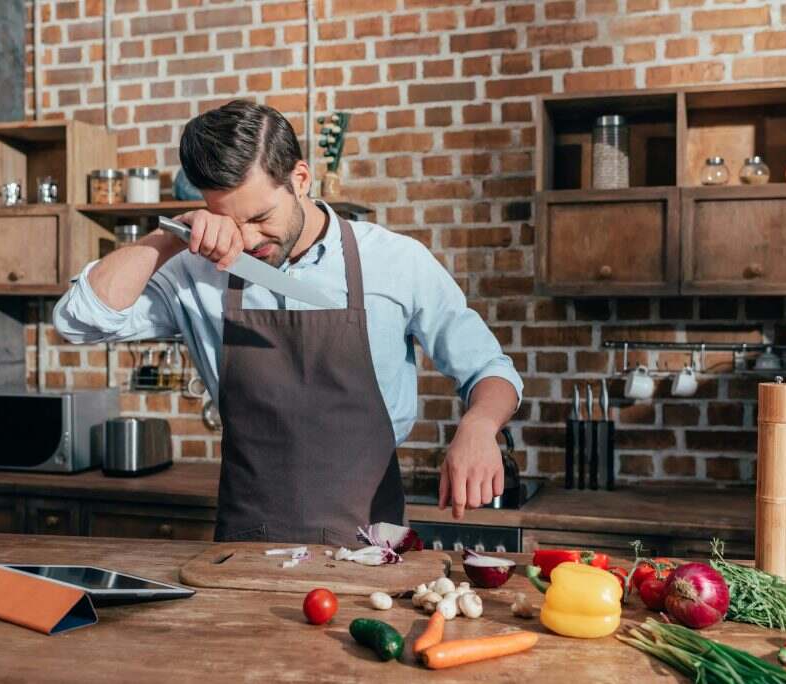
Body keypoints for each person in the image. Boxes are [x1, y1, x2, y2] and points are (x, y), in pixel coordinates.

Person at [53, 100, 522, 545]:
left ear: (300, 179)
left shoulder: (395, 261)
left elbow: (489, 369)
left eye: (261, 217)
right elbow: (79, 320)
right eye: (228, 219)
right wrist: (169, 237)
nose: (247, 238)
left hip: (371, 545)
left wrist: (480, 426)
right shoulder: (195, 273)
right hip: (245, 547)